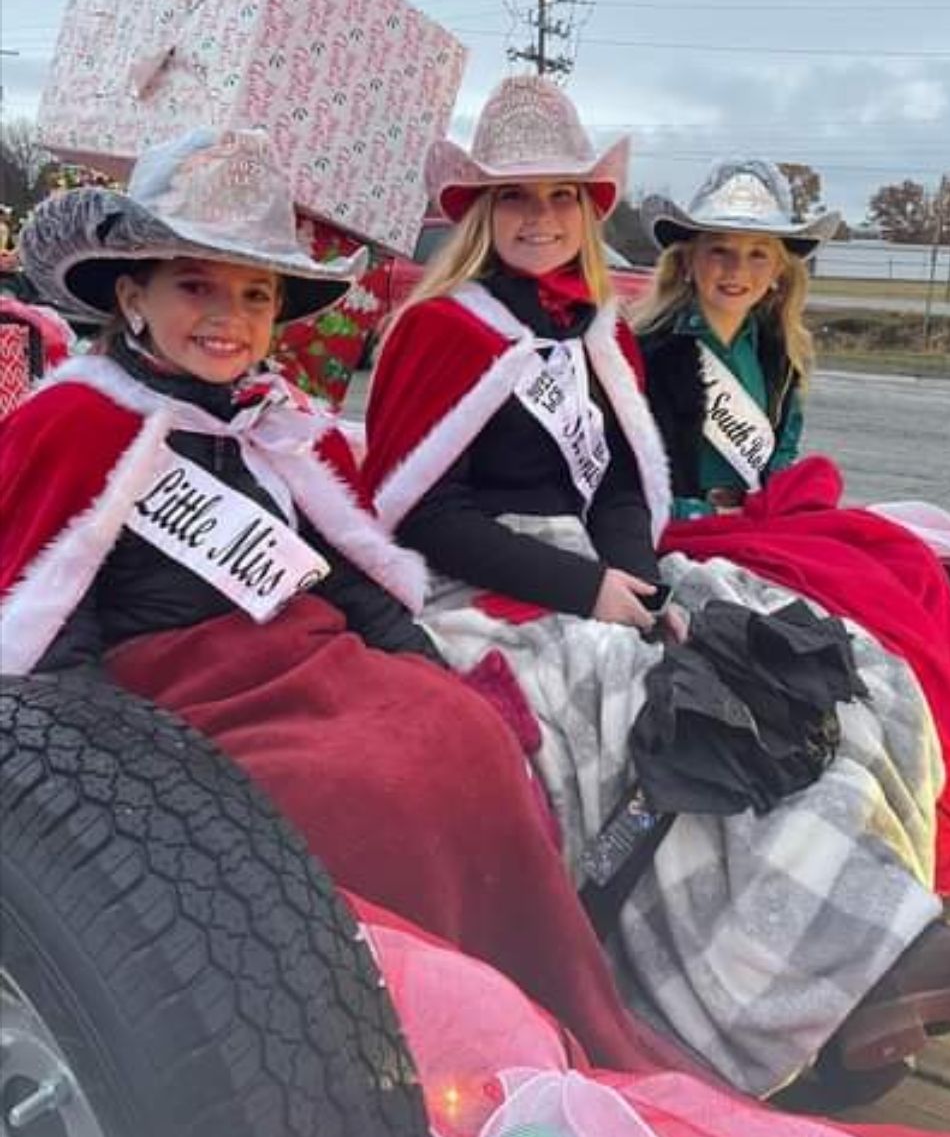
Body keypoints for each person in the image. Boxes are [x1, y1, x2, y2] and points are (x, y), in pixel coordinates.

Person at [358, 76, 950, 1100]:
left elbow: (617, 482)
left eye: (561, 198)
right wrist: (591, 594)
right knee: (658, 705)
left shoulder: (584, 328)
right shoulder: (441, 330)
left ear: (585, 212)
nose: (540, 219)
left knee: (808, 654)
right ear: (478, 214)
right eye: (516, 199)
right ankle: (808, 988)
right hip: (486, 578)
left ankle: (876, 953)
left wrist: (639, 579)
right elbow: (421, 512)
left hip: (602, 564)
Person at [0, 126, 716, 1079]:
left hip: (312, 659)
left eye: (253, 294)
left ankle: (534, 1021)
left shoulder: (278, 425)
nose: (228, 317)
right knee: (370, 793)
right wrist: (136, 780)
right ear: (132, 295)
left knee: (462, 735)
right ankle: (388, 1064)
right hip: (174, 706)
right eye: (194, 286)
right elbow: (48, 638)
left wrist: (423, 665)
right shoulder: (74, 422)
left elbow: (350, 575)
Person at [634, 159, 950, 877]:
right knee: (870, 600)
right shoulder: (649, 350)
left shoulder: (778, 349)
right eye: (719, 249)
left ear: (778, 270)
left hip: (764, 524)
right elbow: (639, 470)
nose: (736, 269)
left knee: (911, 574)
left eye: (756, 254)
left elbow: (781, 455)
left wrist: (777, 495)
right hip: (688, 531)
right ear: (688, 258)